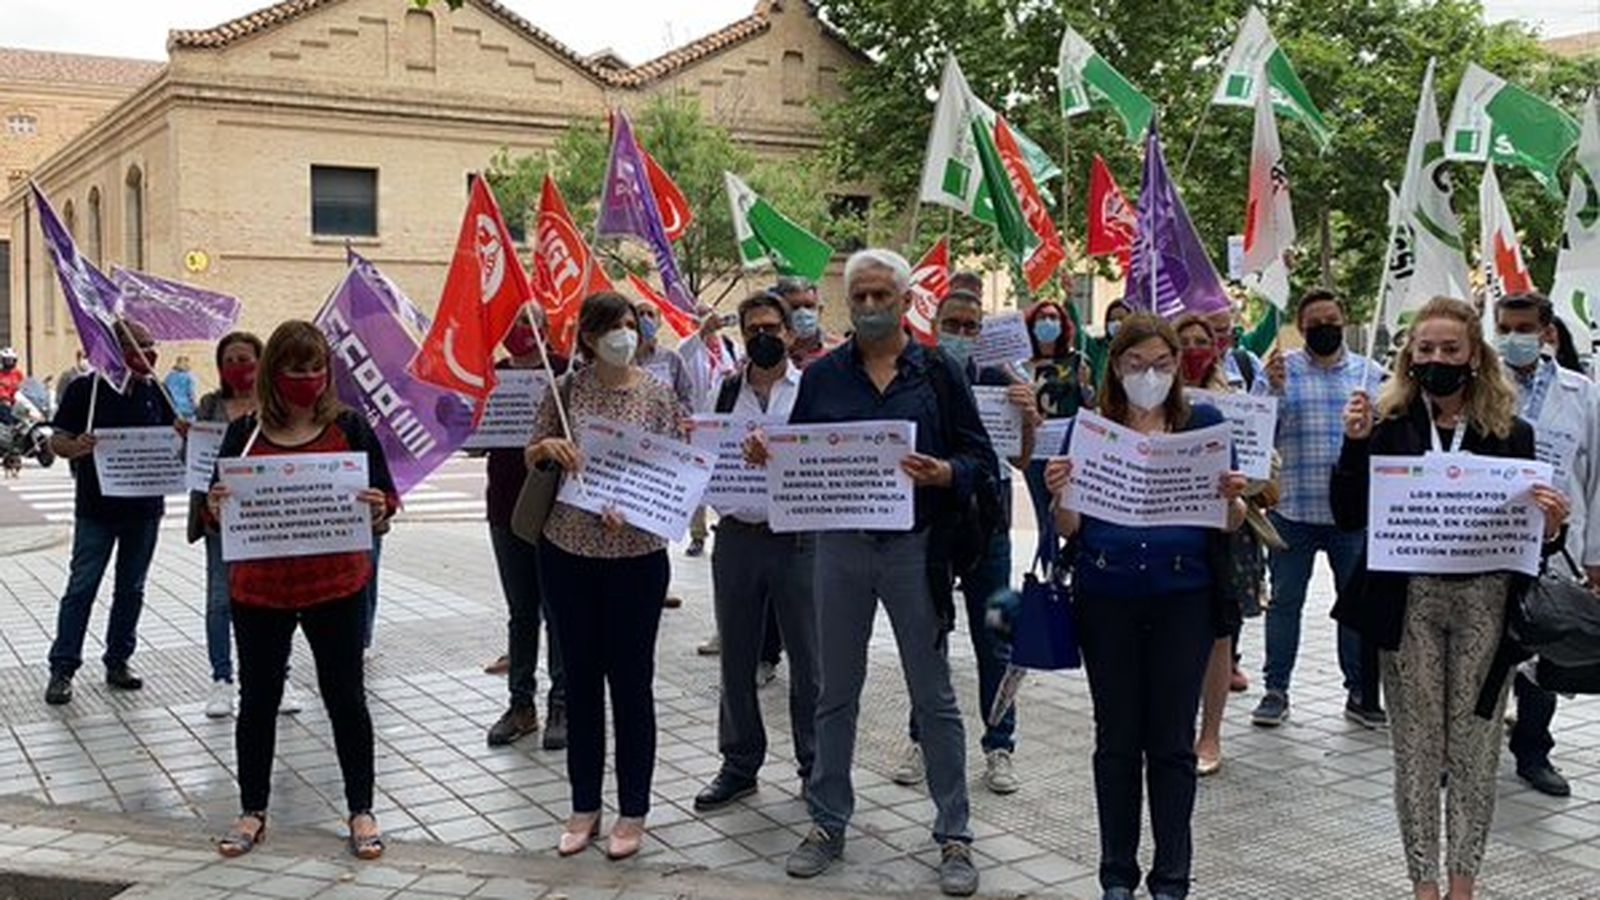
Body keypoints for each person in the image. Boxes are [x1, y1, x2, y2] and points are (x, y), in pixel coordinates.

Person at [1330, 296, 1569, 900]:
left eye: (1450, 349)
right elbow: (1348, 513)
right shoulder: (1386, 428)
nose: (1437, 359)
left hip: (1484, 605)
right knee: (1416, 750)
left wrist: (1553, 527)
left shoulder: (1512, 434)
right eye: (1426, 349)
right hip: (1407, 604)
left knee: (1475, 749)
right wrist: (1354, 445)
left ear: (1474, 357)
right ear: (1410, 356)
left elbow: (1527, 540)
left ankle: (1464, 884)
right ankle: (1424, 886)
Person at [775, 248, 992, 897]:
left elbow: (979, 456)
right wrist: (770, 453)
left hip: (915, 549)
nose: (870, 306)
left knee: (934, 696)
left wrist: (948, 472)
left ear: (904, 301)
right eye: (859, 297)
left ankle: (954, 832)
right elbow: (798, 456)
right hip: (839, 550)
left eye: (881, 296)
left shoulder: (937, 372)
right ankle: (826, 822)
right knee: (834, 691)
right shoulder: (823, 376)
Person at [1044, 314, 1245, 900]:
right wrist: (1061, 492)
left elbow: (1228, 524)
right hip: (1106, 598)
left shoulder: (1203, 423)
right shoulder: (1093, 428)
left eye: (1161, 363)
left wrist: (1233, 498)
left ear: (1177, 366)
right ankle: (1116, 875)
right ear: (1116, 367)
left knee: (1172, 741)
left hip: (1183, 597)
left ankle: (1172, 877)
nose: (1148, 375)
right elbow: (1068, 528)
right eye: (1136, 364)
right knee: (1116, 739)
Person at [207, 320, 396, 860]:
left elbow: (383, 497)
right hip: (259, 592)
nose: (308, 378)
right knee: (258, 701)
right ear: (275, 374)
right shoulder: (243, 433)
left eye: (317, 368)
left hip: (336, 587)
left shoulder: (351, 428)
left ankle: (361, 809)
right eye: (296, 368)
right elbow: (210, 506)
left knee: (346, 699)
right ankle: (253, 810)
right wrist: (216, 507)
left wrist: (380, 509)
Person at [528, 292, 681, 861]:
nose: (623, 333)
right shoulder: (563, 391)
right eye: (610, 327)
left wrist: (638, 506)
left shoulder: (661, 394)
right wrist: (547, 446)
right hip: (569, 551)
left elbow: (674, 472)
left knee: (632, 684)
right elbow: (532, 456)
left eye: (629, 323)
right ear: (587, 338)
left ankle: (633, 810)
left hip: (637, 558)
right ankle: (583, 805)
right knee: (582, 682)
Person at [891, 288, 1039, 796]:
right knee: (928, 636)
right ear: (935, 323)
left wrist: (1029, 420)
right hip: (932, 525)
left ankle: (1000, 744)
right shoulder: (916, 374)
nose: (960, 334)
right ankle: (921, 737)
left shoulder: (1001, 380)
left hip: (988, 528)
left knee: (994, 637)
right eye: (952, 323)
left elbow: (1021, 462)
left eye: (970, 326)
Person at [691, 291, 822, 811]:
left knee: (810, 661)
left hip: (798, 541)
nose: (762, 338)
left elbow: (828, 455)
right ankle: (739, 763)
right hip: (738, 539)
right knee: (737, 658)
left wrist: (783, 456)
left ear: (790, 333)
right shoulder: (725, 393)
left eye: (772, 328)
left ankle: (815, 767)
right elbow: (703, 455)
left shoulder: (812, 391)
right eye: (752, 330)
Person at [1255, 289, 1388, 728]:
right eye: (1314, 323)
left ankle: (1359, 692)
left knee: (1354, 607)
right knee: (1285, 603)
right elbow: (1256, 437)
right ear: (1301, 326)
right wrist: (1271, 392)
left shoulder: (1372, 374)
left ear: (1344, 318)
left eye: (1331, 319)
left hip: (1350, 518)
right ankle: (1276, 689)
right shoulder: (1279, 372)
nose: (1324, 328)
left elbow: (1387, 443)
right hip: (1292, 511)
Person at [1494, 293, 1600, 798]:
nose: (1514, 338)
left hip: (1560, 543)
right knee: (1486, 652)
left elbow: (1597, 476)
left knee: (1546, 644)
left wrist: (1596, 557)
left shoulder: (1583, 394)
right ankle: (1468, 751)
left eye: (1523, 328)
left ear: (1546, 332)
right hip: (1491, 542)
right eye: (1505, 327)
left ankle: (1533, 752)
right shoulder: (1480, 388)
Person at [44, 320, 175, 705]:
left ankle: (118, 660)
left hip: (145, 510)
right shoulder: (87, 389)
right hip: (96, 510)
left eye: (151, 346)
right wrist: (76, 446)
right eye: (138, 347)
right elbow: (57, 441)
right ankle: (62, 668)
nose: (147, 354)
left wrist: (184, 434)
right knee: (81, 588)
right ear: (114, 352)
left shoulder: (159, 393)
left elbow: (174, 443)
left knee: (131, 589)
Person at [187, 331, 306, 719]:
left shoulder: (278, 407)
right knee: (220, 600)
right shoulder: (209, 405)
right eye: (230, 360)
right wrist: (184, 441)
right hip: (220, 519)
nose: (239, 367)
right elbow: (192, 465)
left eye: (246, 358)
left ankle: (280, 675)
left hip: (267, 520)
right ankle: (222, 679)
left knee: (277, 599)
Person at [1173, 315, 1273, 777]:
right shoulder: (1149, 403)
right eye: (1184, 342)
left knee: (1218, 636)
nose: (1193, 349)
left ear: (1216, 348)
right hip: (1168, 530)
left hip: (1225, 534)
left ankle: (1209, 734)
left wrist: (1243, 481)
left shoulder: (1237, 403)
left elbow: (1267, 478)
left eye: (1202, 342)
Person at [483, 308, 569, 751]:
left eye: (526, 323)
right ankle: (521, 705)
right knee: (521, 612)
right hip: (504, 506)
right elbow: (475, 442)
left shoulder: (564, 372)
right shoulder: (492, 375)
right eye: (512, 322)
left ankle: (562, 703)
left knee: (558, 609)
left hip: (554, 506)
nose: (517, 331)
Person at [1022, 299, 1094, 562]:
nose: (1047, 323)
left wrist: (1086, 387)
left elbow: (1092, 404)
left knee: (1070, 511)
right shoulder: (1022, 365)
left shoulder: (1077, 360)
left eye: (1053, 317)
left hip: (1068, 447)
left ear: (1063, 325)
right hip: (1036, 448)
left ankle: (1074, 565)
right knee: (1045, 518)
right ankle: (1049, 577)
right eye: (1041, 318)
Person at [678, 305, 742, 558]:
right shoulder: (690, 345)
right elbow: (682, 355)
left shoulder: (729, 345)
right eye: (702, 316)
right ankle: (697, 534)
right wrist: (702, 331)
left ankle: (727, 521)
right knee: (697, 480)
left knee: (726, 475)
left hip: (726, 422)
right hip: (699, 423)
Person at [777, 276, 843, 370]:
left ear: (819, 310)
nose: (802, 313)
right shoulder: (776, 353)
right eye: (794, 307)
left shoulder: (840, 350)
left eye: (809, 306)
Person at [164, 355, 198, 419]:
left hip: (173, 408)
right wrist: (195, 407)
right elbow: (191, 394)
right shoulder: (189, 377)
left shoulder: (169, 376)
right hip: (186, 409)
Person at [0, 347, 22, 426]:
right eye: (7, 360)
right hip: (4, 404)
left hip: (17, 404)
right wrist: (4, 398)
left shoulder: (17, 373)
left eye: (11, 360)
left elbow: (23, 386)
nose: (9, 362)